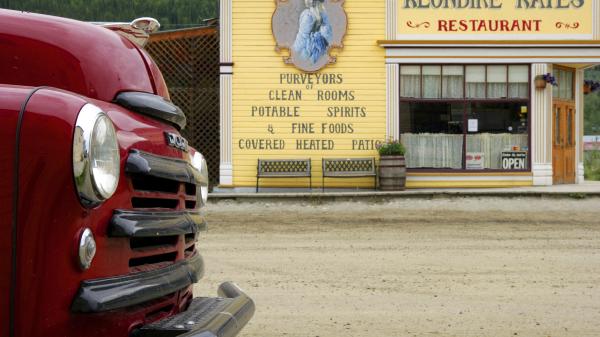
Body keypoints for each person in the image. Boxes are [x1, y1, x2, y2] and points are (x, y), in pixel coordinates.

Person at [292, 0, 333, 65]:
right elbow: (302, 37)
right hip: (310, 48)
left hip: (319, 47)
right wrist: (294, 51)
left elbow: (328, 34)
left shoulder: (321, 13)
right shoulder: (308, 15)